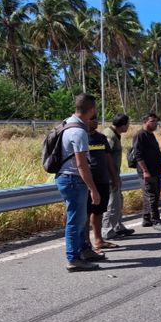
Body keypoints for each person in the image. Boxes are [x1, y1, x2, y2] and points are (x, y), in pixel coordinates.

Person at [55, 93, 102, 272]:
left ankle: (83, 250)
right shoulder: (79, 131)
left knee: (79, 219)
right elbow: (82, 165)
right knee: (75, 221)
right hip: (74, 180)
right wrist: (93, 189)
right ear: (91, 110)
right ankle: (73, 258)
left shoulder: (68, 123)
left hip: (66, 178)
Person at [84, 115, 119, 252]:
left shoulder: (101, 138)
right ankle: (86, 243)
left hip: (102, 180)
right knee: (86, 212)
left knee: (98, 211)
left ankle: (98, 240)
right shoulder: (80, 137)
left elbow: (108, 158)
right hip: (87, 181)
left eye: (96, 119)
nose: (95, 121)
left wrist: (114, 177)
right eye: (92, 119)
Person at [103, 114, 135, 239]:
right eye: (128, 124)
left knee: (118, 201)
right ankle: (107, 230)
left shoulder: (114, 134)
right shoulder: (109, 135)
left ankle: (117, 226)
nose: (128, 126)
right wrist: (112, 177)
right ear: (122, 125)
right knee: (112, 203)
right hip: (110, 176)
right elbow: (106, 156)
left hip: (115, 174)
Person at [132, 113, 161, 230]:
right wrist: (145, 171)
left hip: (155, 171)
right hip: (147, 171)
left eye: (156, 121)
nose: (155, 123)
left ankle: (146, 219)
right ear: (145, 122)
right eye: (152, 121)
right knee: (151, 196)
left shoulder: (150, 135)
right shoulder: (140, 135)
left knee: (152, 195)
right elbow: (138, 154)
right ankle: (156, 220)